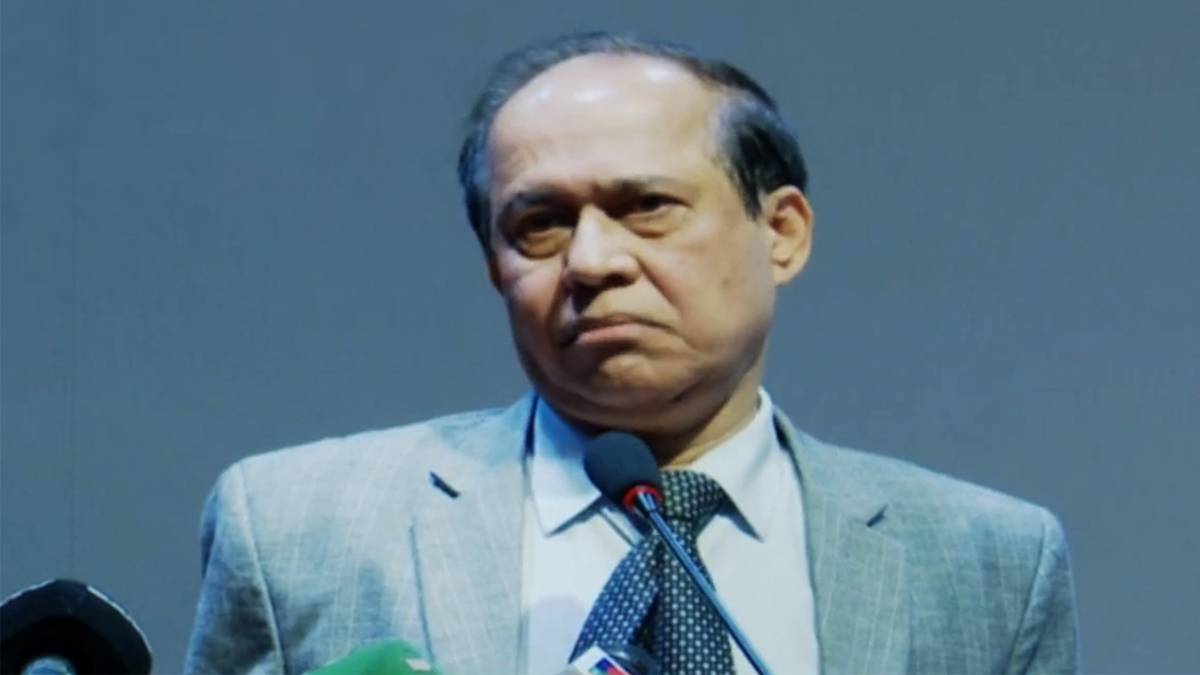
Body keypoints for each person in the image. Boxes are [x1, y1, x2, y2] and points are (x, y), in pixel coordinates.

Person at [184, 30, 1079, 675]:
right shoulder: (298, 532)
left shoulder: (987, 564)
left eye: (647, 207)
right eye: (540, 224)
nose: (591, 261)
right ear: (494, 265)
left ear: (783, 232)